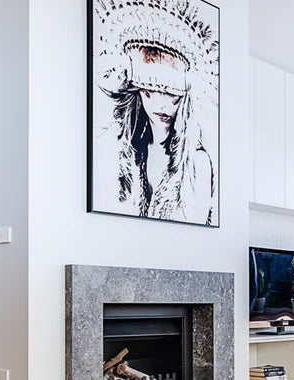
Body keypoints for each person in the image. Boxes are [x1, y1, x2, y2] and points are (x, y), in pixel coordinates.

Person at [92, 0, 219, 226]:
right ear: (139, 91)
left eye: (172, 94)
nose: (162, 105)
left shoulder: (197, 161)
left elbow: (196, 230)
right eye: (151, 91)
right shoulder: (129, 153)